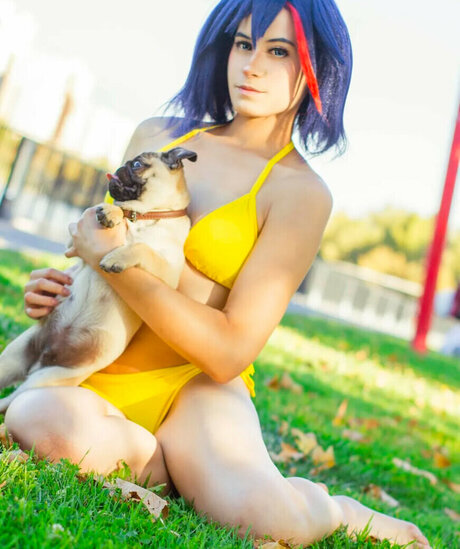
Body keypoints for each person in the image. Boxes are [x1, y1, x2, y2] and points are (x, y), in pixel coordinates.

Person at [4, 1, 431, 546]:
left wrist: (112, 263)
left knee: (267, 520)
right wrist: (53, 290)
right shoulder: (158, 135)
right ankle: (172, 468)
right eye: (243, 44)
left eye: (279, 52)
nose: (252, 65)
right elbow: (99, 249)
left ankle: (330, 508)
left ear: (316, 71)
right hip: (98, 368)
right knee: (36, 419)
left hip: (196, 385)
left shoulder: (300, 193)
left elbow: (229, 351)